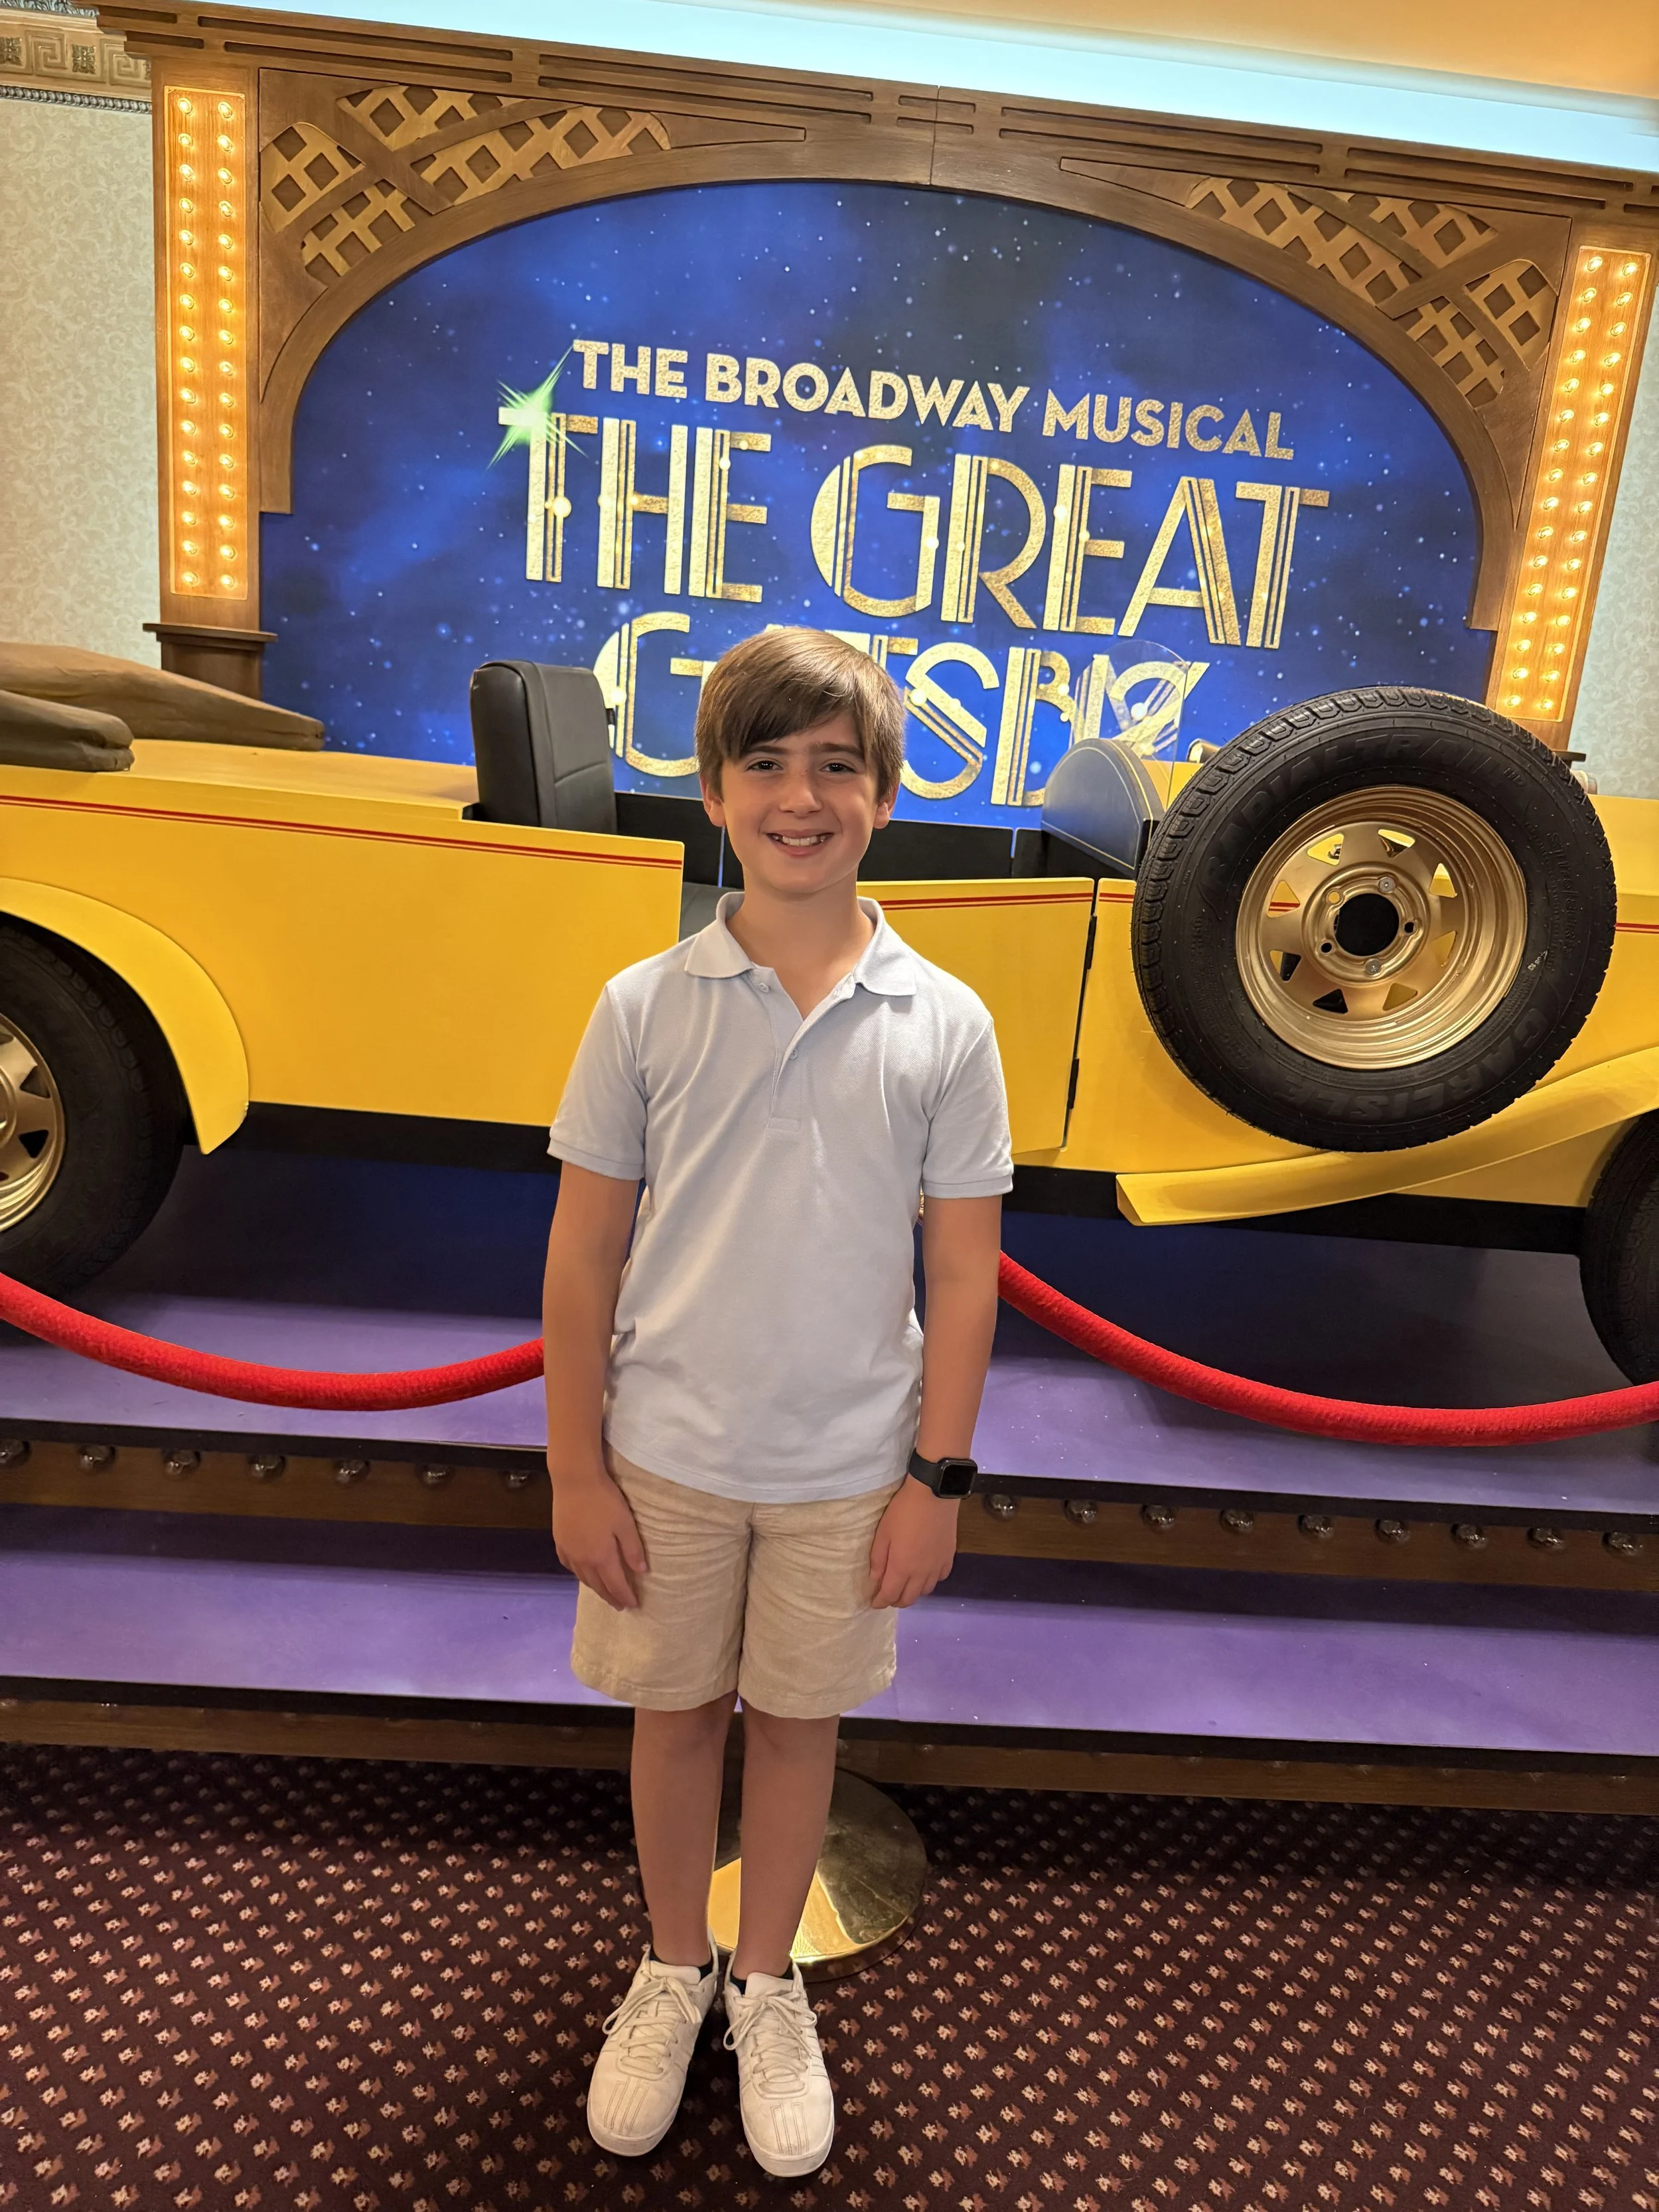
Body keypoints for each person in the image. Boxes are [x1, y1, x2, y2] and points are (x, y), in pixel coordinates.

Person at [541, 625, 1011, 2177]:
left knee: (797, 1728)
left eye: (833, 766)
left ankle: (764, 1978)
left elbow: (961, 1272)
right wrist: (575, 1471)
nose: (799, 797)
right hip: (664, 1454)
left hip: (844, 1468)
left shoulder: (943, 1022)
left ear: (880, 790)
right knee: (673, 1718)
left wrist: (934, 1477)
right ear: (712, 789)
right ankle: (673, 1966)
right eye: (766, 765)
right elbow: (584, 1252)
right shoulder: (643, 1002)